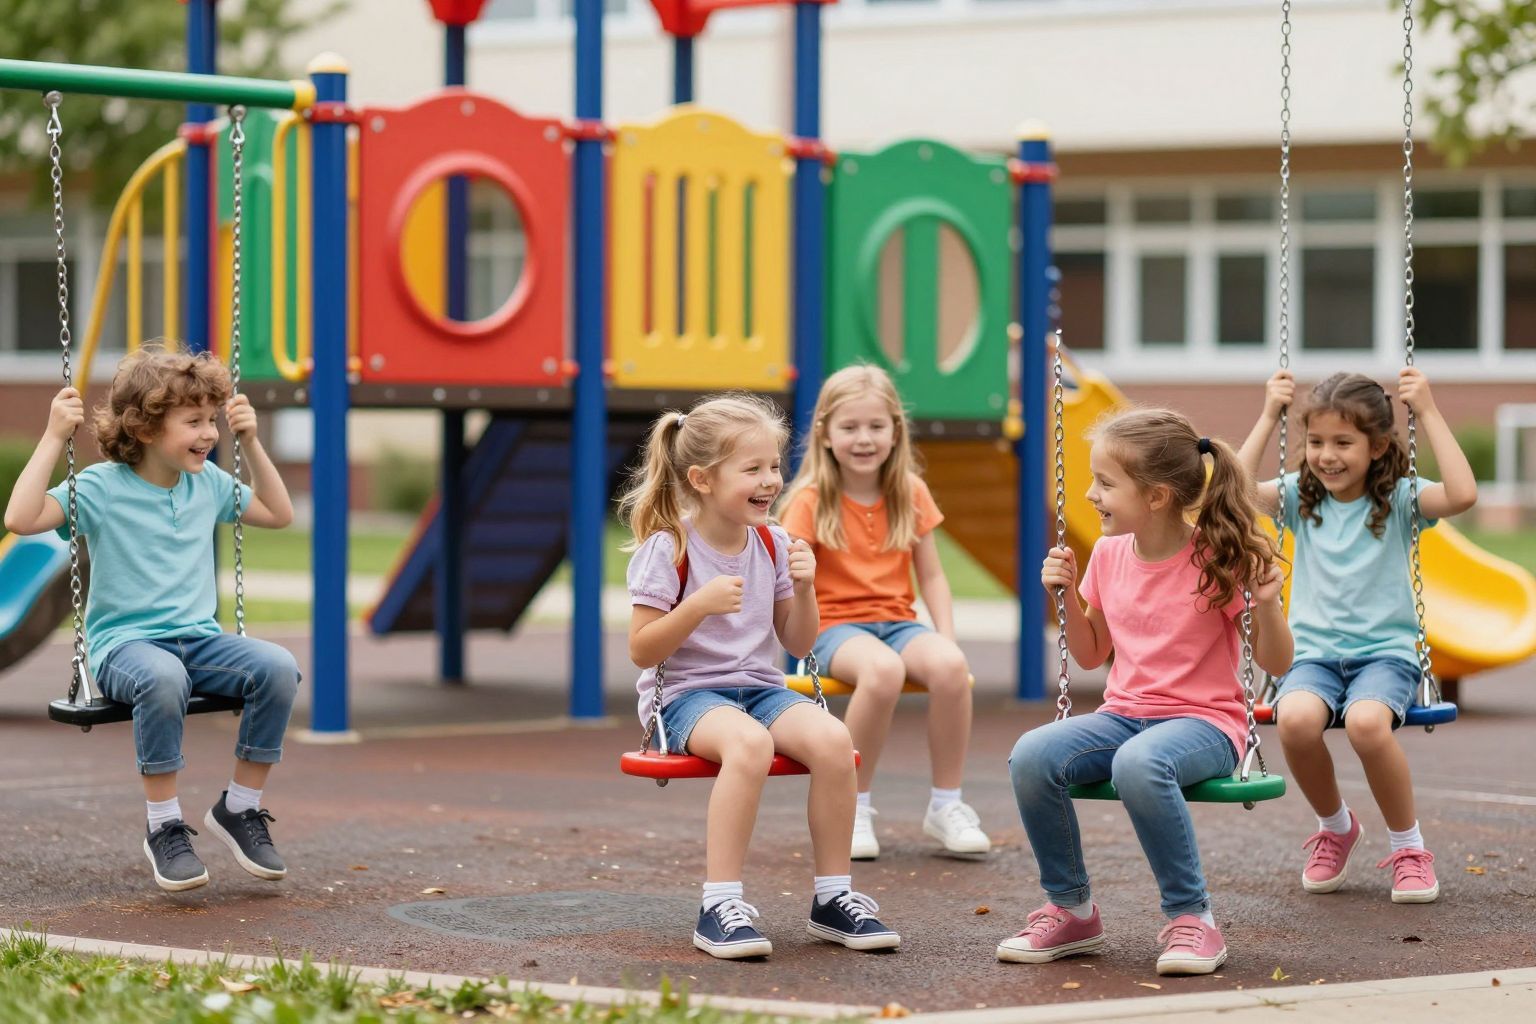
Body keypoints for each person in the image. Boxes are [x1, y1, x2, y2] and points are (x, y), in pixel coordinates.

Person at [1001, 408, 1291, 976]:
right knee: (1032, 754)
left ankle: (1192, 918)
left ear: (1156, 496)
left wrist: (1269, 604)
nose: (1091, 494)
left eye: (1106, 483)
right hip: (1124, 714)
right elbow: (1090, 655)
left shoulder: (1220, 556)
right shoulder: (1109, 555)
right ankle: (1071, 908)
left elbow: (1277, 662)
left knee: (1139, 763)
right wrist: (1061, 597)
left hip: (1206, 724)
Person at [4, 346, 300, 893]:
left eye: (211, 419)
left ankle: (240, 807)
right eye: (194, 421)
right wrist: (52, 437)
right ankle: (164, 825)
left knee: (278, 667)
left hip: (199, 639)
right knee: (165, 679)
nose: (209, 432)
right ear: (142, 427)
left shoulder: (208, 485)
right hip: (125, 647)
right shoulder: (101, 488)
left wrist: (252, 443)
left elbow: (279, 514)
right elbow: (20, 518)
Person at [621, 393, 900, 960]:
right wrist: (696, 606)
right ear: (701, 478)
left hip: (761, 689)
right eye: (752, 469)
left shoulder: (772, 542)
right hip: (687, 697)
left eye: (774, 466)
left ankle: (833, 897)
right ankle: (719, 904)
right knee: (748, 746)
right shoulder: (668, 547)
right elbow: (641, 649)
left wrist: (803, 586)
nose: (771, 481)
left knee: (833, 740)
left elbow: (797, 644)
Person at [1239, 368, 1476, 904]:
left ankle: (1409, 847)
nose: (1327, 455)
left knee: (1369, 724)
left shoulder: (1398, 499)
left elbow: (1463, 494)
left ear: (1378, 446)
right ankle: (1337, 827)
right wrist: (1267, 415)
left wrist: (1431, 411)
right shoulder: (1303, 496)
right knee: (1295, 722)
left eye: (1343, 442)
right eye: (1317, 441)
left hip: (1386, 656)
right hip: (1313, 654)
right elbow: (1233, 491)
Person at [780, 365, 988, 861]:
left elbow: (932, 575)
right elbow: (787, 582)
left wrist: (947, 635)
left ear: (896, 430)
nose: (864, 439)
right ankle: (854, 804)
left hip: (898, 622)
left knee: (950, 666)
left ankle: (946, 805)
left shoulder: (909, 492)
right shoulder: (810, 500)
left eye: (876, 426)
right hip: (832, 627)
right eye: (850, 427)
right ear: (826, 434)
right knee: (882, 671)